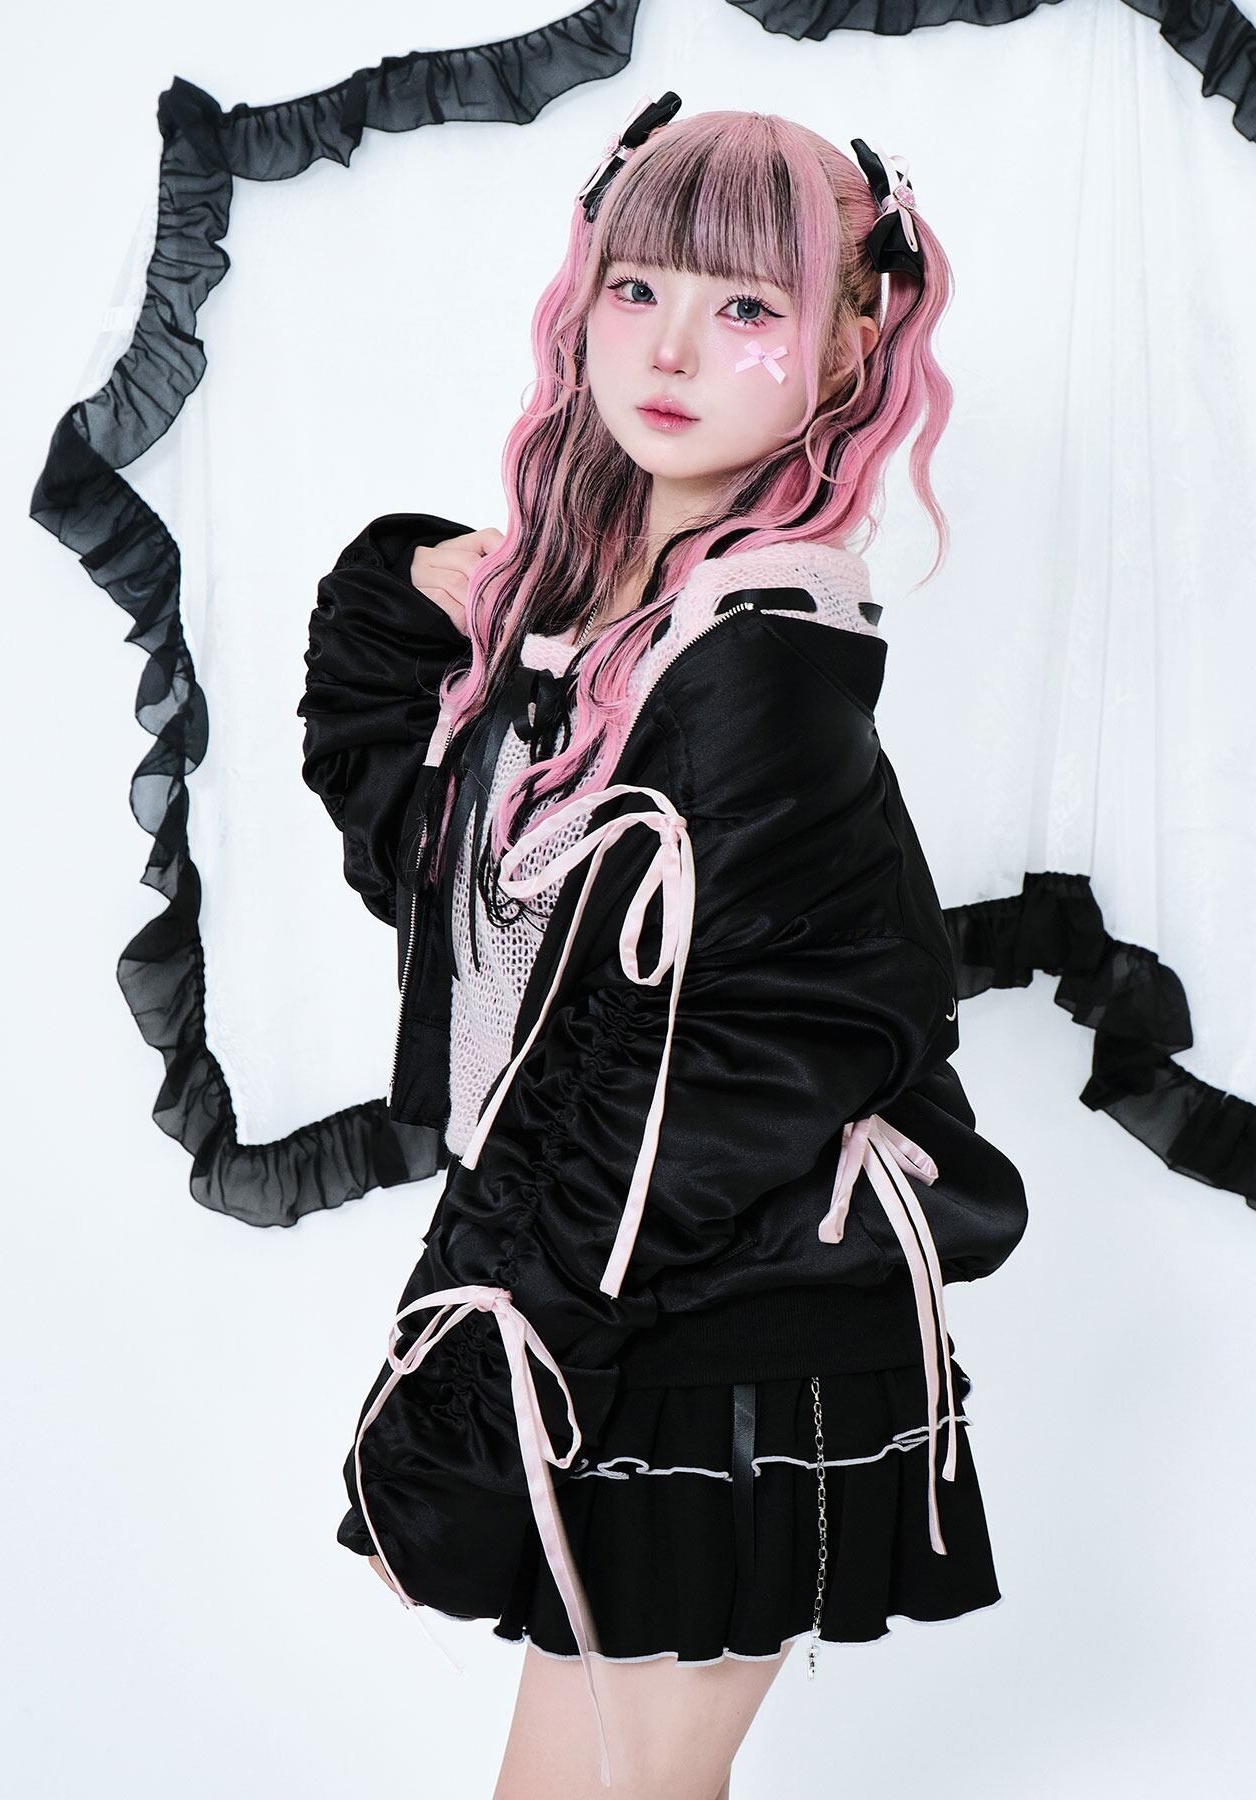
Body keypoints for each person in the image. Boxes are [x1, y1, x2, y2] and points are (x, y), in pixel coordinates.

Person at [297, 93, 1029, 1797]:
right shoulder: (609, 629)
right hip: (635, 1301)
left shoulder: (758, 653)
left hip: (731, 1330)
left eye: (747, 303)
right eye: (639, 287)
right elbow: (449, 896)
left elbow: (713, 1083)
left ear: (846, 346)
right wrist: (406, 593)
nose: (672, 347)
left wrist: (490, 1366)